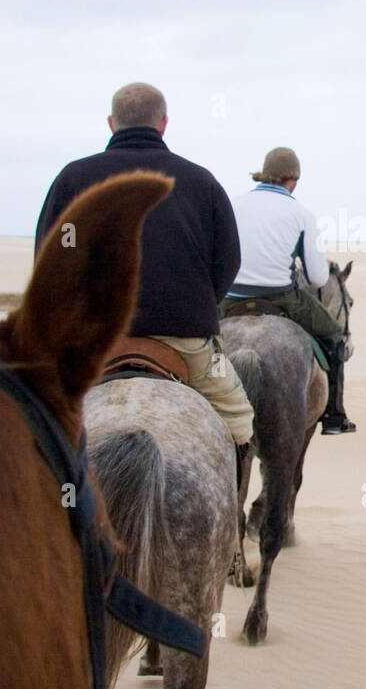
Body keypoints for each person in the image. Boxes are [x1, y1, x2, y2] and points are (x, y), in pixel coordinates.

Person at [34, 82, 255, 459]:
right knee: (240, 421)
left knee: (30, 419)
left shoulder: (72, 178)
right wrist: (196, 308)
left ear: (111, 123)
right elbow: (228, 261)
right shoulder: (201, 181)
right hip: (187, 345)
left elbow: (49, 261)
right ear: (164, 124)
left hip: (89, 340)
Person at [220, 147, 356, 435]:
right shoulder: (301, 214)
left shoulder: (233, 204)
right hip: (280, 295)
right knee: (333, 335)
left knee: (193, 338)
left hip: (230, 296)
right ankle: (334, 416)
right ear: (294, 179)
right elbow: (318, 278)